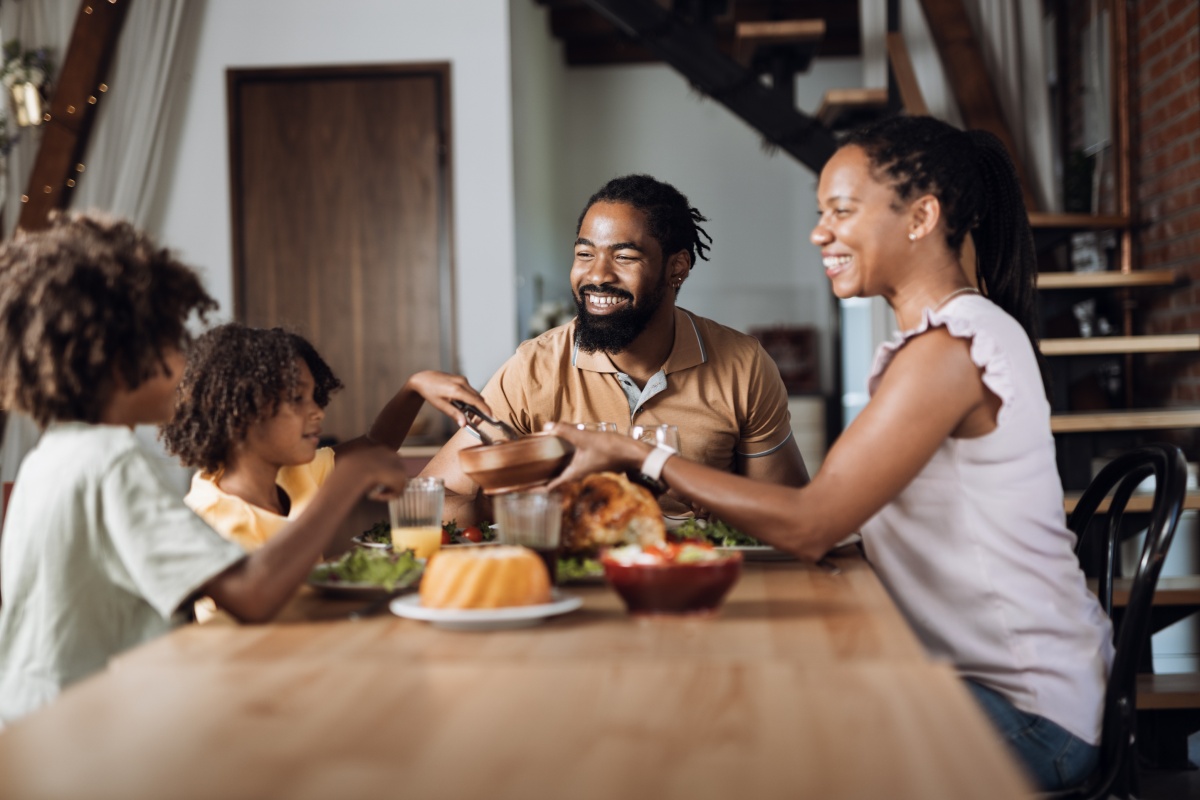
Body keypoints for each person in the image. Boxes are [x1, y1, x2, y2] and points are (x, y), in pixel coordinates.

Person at [545, 117, 1113, 791]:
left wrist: (634, 453)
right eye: (820, 213)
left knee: (762, 750)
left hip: (1031, 718)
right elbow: (837, 520)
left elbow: (812, 522)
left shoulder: (951, 350)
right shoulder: (937, 343)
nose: (820, 232)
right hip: (984, 685)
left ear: (921, 217)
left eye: (841, 211)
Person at [0, 213, 411, 724]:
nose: (182, 364)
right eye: (171, 344)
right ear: (117, 359)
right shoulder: (111, 463)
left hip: (34, 719)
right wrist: (349, 480)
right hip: (78, 729)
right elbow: (252, 593)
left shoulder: (52, 456)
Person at [422, 174, 809, 522]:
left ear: (677, 268)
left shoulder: (743, 365)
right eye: (584, 254)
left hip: (695, 576)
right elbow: (432, 499)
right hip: (576, 579)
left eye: (624, 256)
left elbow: (789, 511)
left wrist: (717, 498)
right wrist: (517, 503)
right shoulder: (533, 368)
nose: (597, 275)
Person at [161, 323, 490, 551]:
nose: (317, 411)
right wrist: (347, 483)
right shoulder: (209, 515)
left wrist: (413, 389)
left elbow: (376, 445)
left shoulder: (292, 472)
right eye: (297, 400)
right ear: (241, 413)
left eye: (314, 397)